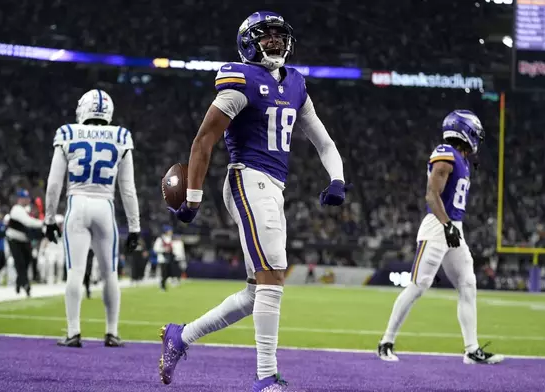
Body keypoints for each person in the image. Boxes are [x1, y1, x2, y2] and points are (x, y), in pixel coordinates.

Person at [159, 11, 349, 391]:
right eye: (267, 36)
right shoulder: (240, 78)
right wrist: (193, 199)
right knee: (274, 275)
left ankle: (179, 337)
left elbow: (323, 142)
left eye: (280, 36)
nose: (275, 41)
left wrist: (338, 178)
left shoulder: (296, 84)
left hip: (273, 186)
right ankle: (265, 377)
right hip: (247, 177)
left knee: (255, 292)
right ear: (249, 41)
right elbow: (203, 140)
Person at [377, 110, 504, 365]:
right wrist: (447, 226)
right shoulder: (445, 153)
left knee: (468, 285)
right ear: (464, 129)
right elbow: (431, 194)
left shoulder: (461, 159)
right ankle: (386, 342)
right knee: (418, 285)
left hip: (453, 227)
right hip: (439, 225)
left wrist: (451, 227)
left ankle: (471, 349)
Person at [44, 89, 141, 348]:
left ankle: (74, 332)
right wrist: (134, 226)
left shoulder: (67, 132)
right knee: (110, 274)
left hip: (76, 204)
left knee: (74, 272)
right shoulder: (121, 136)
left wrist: (49, 217)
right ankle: (111, 332)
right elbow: (128, 188)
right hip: (104, 206)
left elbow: (54, 183)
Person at [6, 189, 42, 296]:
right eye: (24, 198)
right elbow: (28, 222)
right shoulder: (16, 209)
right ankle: (26, 286)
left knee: (27, 261)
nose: (26, 200)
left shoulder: (27, 209)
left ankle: (19, 281)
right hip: (14, 240)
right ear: (19, 199)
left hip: (24, 240)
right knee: (20, 262)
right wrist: (43, 223)